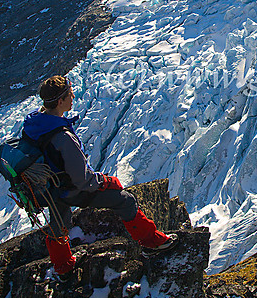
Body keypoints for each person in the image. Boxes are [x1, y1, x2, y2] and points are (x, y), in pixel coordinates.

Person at [23, 75, 175, 274]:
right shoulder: (62, 137)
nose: (73, 96)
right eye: (69, 94)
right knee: (125, 200)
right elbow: (81, 179)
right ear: (60, 101)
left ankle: (63, 267)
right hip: (68, 189)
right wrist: (105, 181)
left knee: (59, 223)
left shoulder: (33, 124)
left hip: (46, 189)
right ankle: (151, 242)